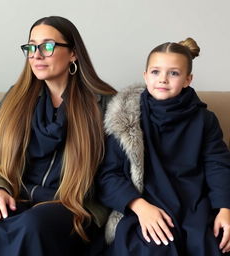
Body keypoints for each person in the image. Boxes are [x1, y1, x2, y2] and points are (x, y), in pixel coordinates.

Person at [0, 16, 116, 256]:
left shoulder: (104, 104)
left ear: (73, 53)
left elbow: (113, 173)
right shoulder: (13, 101)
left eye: (47, 46)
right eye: (31, 47)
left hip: (72, 204)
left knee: (33, 226)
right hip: (16, 196)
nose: (36, 55)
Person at [97, 37, 230, 255]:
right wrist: (139, 206)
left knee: (211, 244)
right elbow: (108, 175)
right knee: (151, 246)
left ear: (188, 79)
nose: (163, 79)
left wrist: (225, 209)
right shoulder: (126, 117)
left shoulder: (204, 119)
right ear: (145, 76)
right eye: (156, 72)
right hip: (145, 204)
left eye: (174, 73)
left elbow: (218, 165)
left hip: (193, 204)